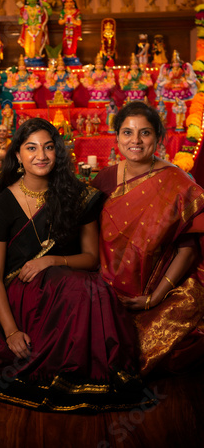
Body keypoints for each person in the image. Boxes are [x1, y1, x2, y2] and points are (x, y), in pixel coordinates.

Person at [0, 118, 153, 413]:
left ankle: (100, 374)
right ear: (18, 156)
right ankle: (72, 372)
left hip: (68, 279)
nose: (41, 155)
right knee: (78, 289)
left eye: (49, 147)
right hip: (22, 291)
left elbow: (91, 259)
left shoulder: (76, 195)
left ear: (58, 152)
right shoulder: (2, 204)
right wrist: (11, 331)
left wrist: (51, 260)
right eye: (31, 148)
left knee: (95, 288)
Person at [92, 101, 204, 376]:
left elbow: (188, 250)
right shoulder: (104, 179)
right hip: (105, 288)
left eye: (145, 133)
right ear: (116, 136)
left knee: (143, 348)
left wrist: (153, 298)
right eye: (127, 132)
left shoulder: (179, 183)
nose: (136, 141)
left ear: (158, 138)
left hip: (159, 289)